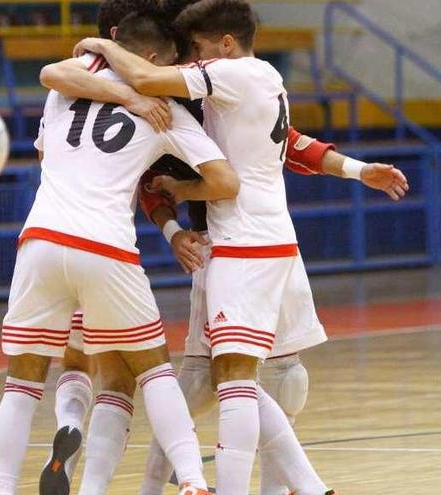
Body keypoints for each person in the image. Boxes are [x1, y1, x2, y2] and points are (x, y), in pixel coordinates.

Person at [70, 0, 408, 492]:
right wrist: (357, 170)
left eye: (198, 49)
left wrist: (98, 48)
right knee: (250, 380)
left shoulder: (200, 79)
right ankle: (303, 487)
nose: (190, 57)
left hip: (234, 243)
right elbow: (283, 143)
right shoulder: (262, 76)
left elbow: (148, 109)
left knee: (232, 381)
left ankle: (260, 486)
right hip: (266, 240)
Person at [0, 11, 239, 495]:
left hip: (39, 239)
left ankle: (1, 490)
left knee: (21, 384)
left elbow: (46, 148)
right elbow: (225, 182)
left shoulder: (67, 86)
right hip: (104, 244)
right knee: (152, 368)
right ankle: (191, 480)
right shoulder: (166, 107)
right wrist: (176, 187)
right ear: (149, 60)